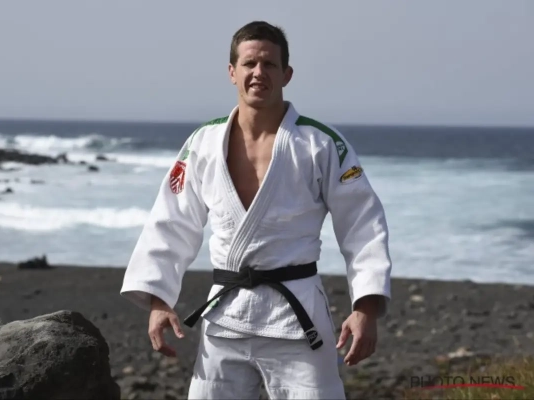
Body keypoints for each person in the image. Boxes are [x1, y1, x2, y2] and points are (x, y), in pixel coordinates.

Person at [120, 20, 392, 400]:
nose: (259, 72)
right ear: (232, 72)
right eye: (249, 63)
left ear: (287, 74)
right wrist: (159, 300)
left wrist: (366, 307)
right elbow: (171, 222)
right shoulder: (203, 143)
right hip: (225, 320)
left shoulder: (321, 144)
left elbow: (362, 226)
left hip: (297, 321)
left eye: (269, 64)